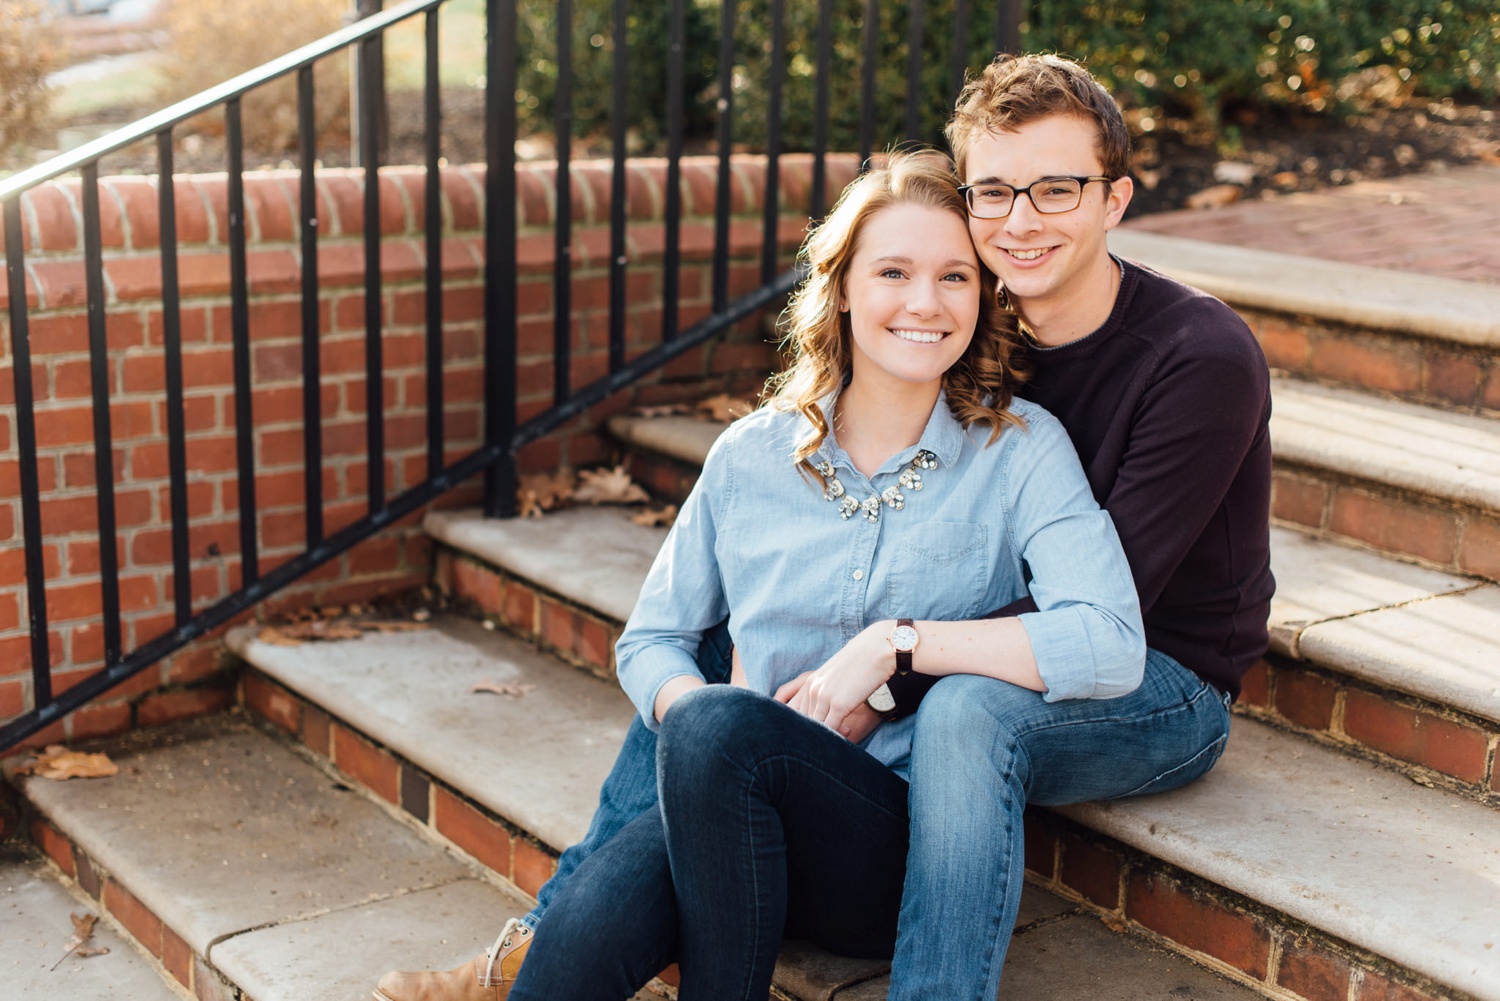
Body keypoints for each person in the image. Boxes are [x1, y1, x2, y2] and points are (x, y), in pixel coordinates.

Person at [376, 51, 1272, 1001]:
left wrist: (885, 662)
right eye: (995, 192)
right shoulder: (976, 319)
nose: (1021, 220)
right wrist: (767, 694)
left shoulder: (1189, 357)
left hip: (1163, 673)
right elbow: (671, 638)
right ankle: (538, 950)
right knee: (711, 684)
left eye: (1056, 189)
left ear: (1114, 199)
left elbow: (1102, 621)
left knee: (952, 707)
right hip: (955, 657)